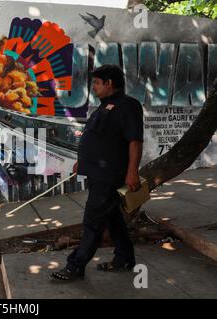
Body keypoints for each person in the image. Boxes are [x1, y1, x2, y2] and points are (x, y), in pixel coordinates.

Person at [51, 64, 144, 281]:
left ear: (109, 83)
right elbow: (99, 140)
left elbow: (135, 141)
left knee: (92, 221)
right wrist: (82, 162)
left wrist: (133, 172)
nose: (94, 87)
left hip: (109, 176)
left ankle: (75, 266)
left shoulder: (128, 106)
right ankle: (124, 258)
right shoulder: (104, 106)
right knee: (112, 218)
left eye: (96, 83)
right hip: (96, 173)